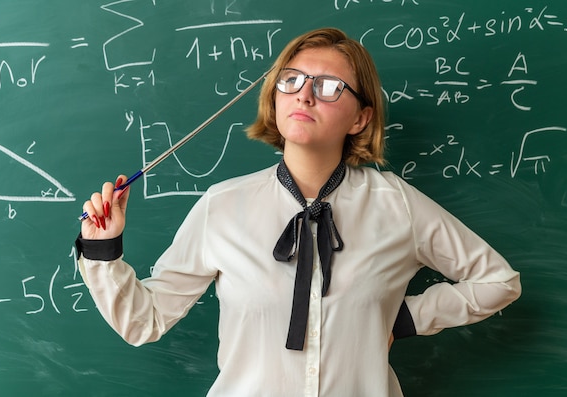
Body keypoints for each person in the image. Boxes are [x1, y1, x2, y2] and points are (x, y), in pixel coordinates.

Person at [77, 27, 521, 397]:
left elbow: (498, 282)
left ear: (360, 118)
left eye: (328, 87)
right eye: (292, 79)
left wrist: (405, 318)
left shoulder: (396, 205)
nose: (305, 95)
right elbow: (144, 321)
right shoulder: (223, 205)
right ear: (275, 95)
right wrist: (103, 250)